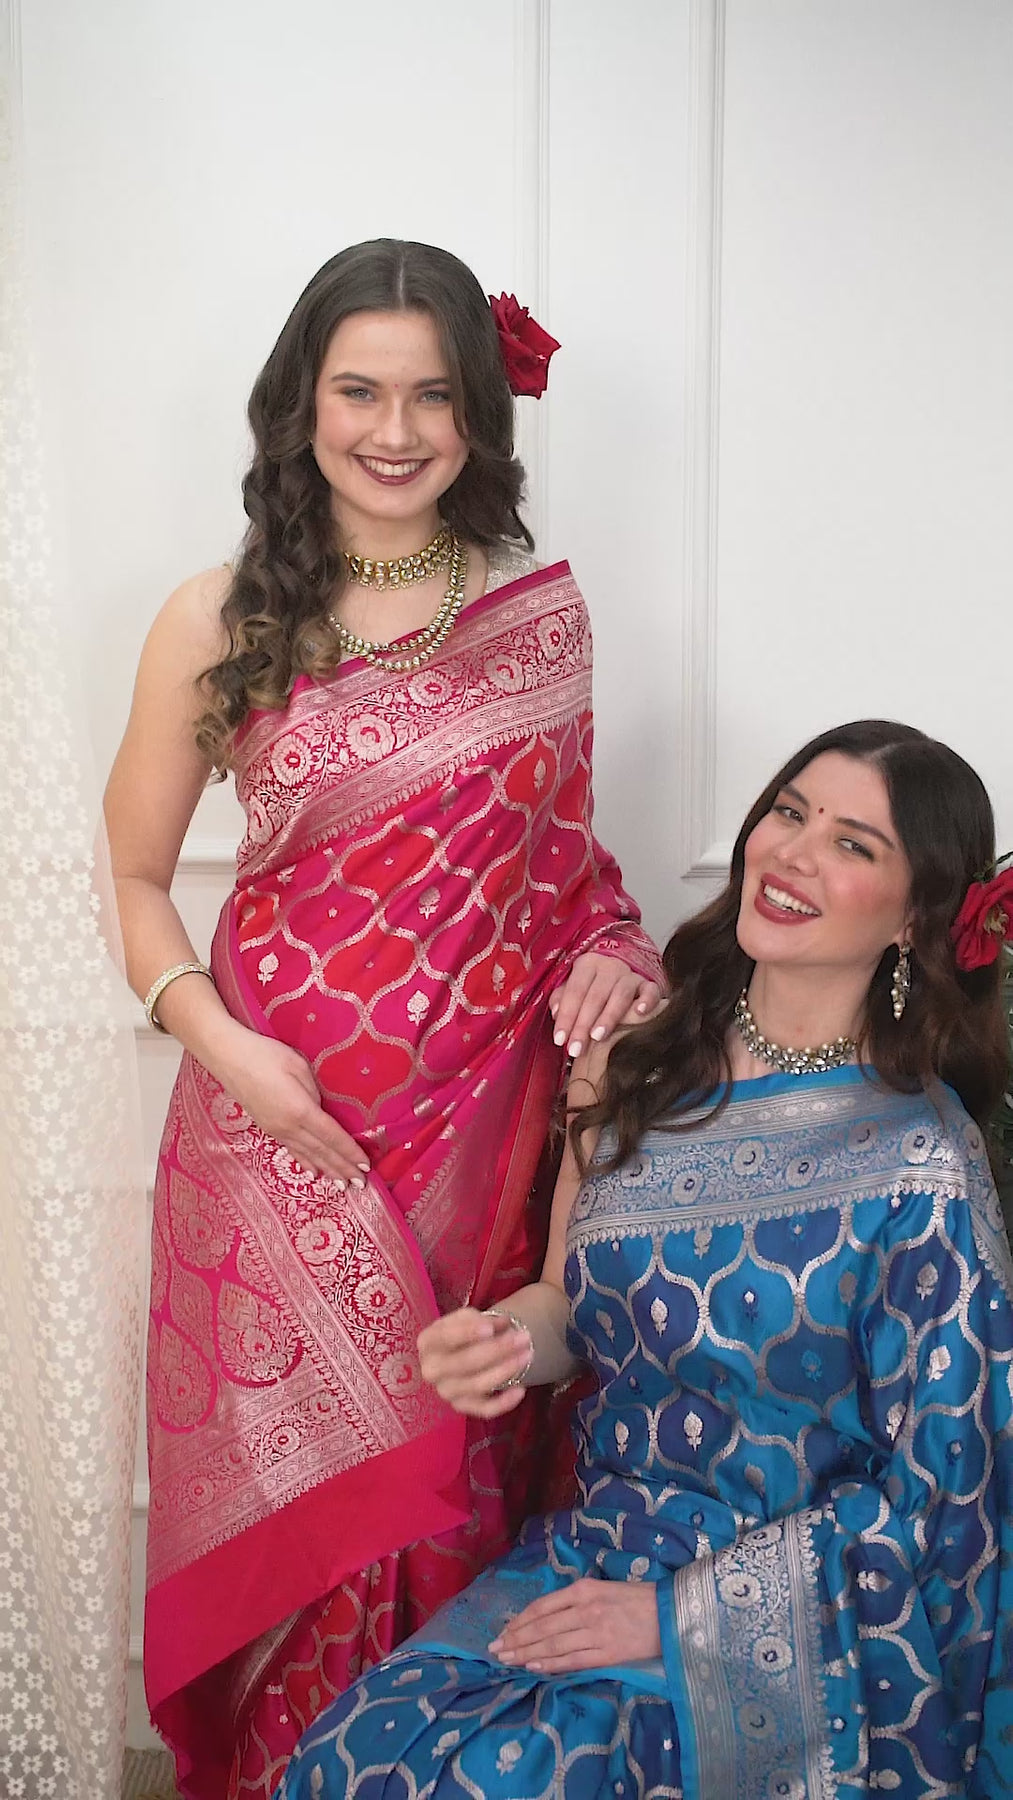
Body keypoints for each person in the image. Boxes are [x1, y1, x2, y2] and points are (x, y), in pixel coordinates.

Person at [103, 239, 662, 1800]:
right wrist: (225, 1047)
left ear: (480, 412)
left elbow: (570, 880)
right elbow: (135, 879)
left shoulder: (537, 619)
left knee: (452, 1501)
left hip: (480, 1153)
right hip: (274, 1146)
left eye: (432, 396)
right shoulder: (215, 618)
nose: (395, 431)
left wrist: (620, 951)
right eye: (359, 391)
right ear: (302, 402)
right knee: (305, 1550)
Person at [274, 719, 1013, 1800]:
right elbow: (566, 1309)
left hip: (796, 1625)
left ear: (915, 916)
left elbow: (944, 1497)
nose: (793, 853)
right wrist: (503, 1342)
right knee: (355, 1759)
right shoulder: (632, 1068)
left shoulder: (920, 1164)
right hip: (601, 1547)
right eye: (789, 813)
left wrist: (681, 1623)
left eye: (852, 843)